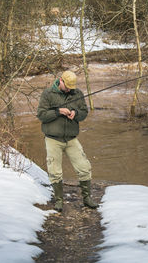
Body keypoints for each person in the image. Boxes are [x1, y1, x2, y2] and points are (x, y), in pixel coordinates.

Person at [37, 70, 98, 212]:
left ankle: (87, 198)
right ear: (61, 81)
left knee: (84, 167)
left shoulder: (77, 94)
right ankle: (59, 200)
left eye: (72, 86)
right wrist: (58, 111)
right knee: (55, 171)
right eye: (67, 86)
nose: (70, 89)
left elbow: (84, 113)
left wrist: (76, 114)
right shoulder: (47, 94)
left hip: (71, 139)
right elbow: (41, 115)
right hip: (53, 139)